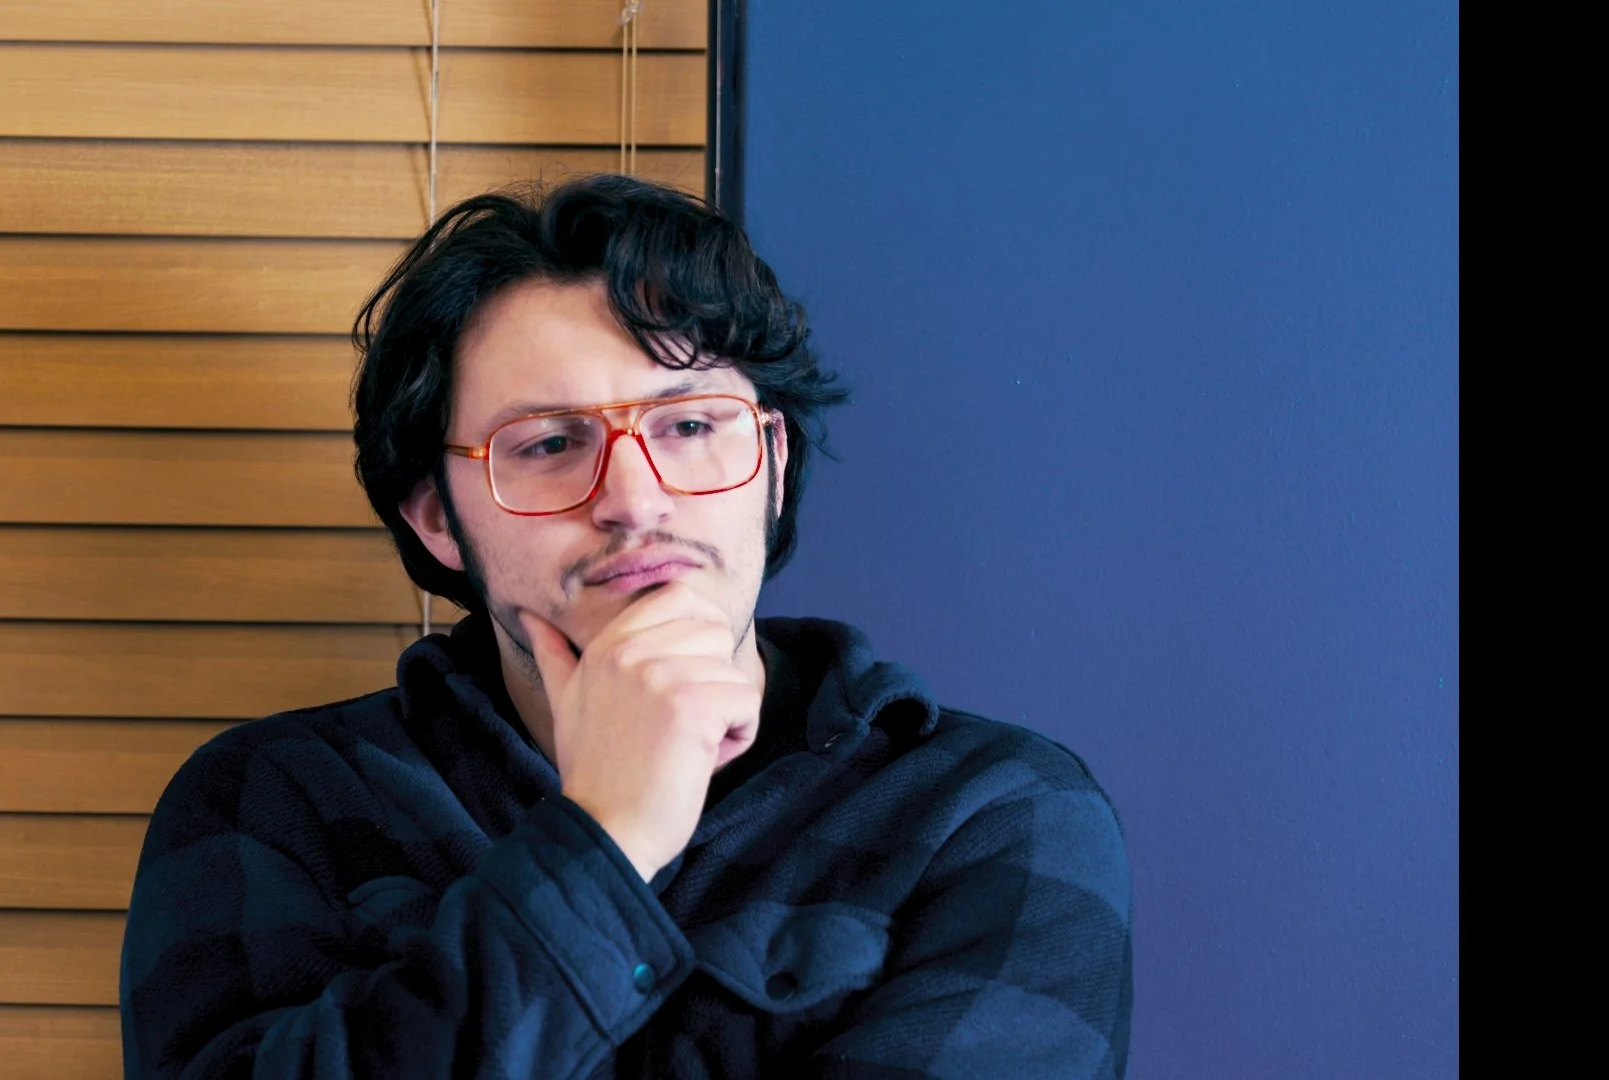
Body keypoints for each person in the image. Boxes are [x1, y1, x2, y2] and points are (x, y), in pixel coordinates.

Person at [120, 175, 1133, 1078]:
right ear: (436, 514)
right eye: (550, 443)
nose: (634, 499)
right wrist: (604, 835)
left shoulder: (990, 811)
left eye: (689, 425)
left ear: (773, 463)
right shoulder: (274, 799)